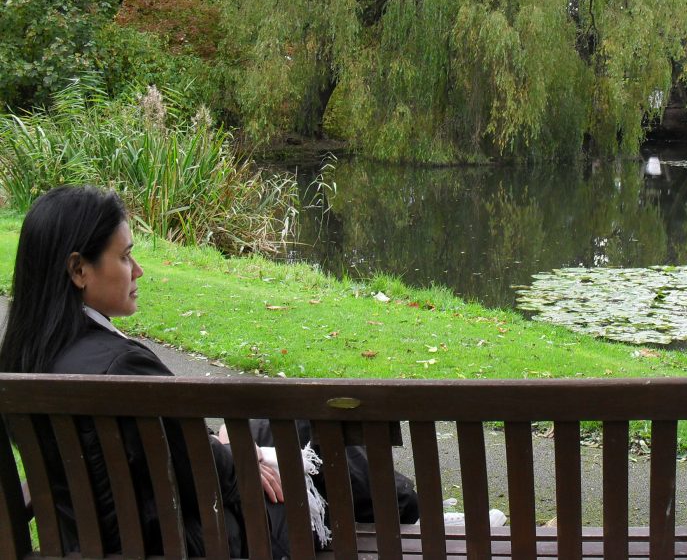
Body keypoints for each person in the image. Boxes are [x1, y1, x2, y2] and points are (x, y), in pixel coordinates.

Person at [0, 185, 419, 557]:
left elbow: (160, 453)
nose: (139, 270)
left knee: (266, 430)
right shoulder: (121, 369)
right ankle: (409, 506)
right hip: (205, 538)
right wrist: (234, 456)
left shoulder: (25, 360)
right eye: (125, 256)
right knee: (306, 433)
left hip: (101, 538)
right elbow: (202, 472)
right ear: (78, 270)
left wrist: (227, 445)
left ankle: (402, 500)